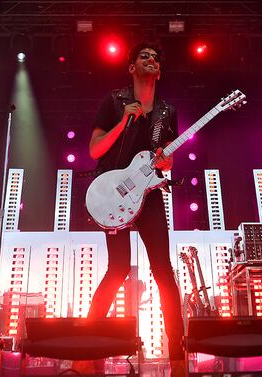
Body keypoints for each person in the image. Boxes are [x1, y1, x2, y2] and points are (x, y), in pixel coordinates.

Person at [87, 41, 185, 374]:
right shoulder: (114, 101)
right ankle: (86, 349)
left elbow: (164, 160)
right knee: (117, 268)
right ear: (131, 67)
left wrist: (167, 162)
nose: (152, 60)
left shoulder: (167, 112)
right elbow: (95, 151)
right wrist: (122, 121)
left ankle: (178, 355)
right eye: (144, 56)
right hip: (114, 194)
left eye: (156, 58)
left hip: (149, 195)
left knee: (164, 271)